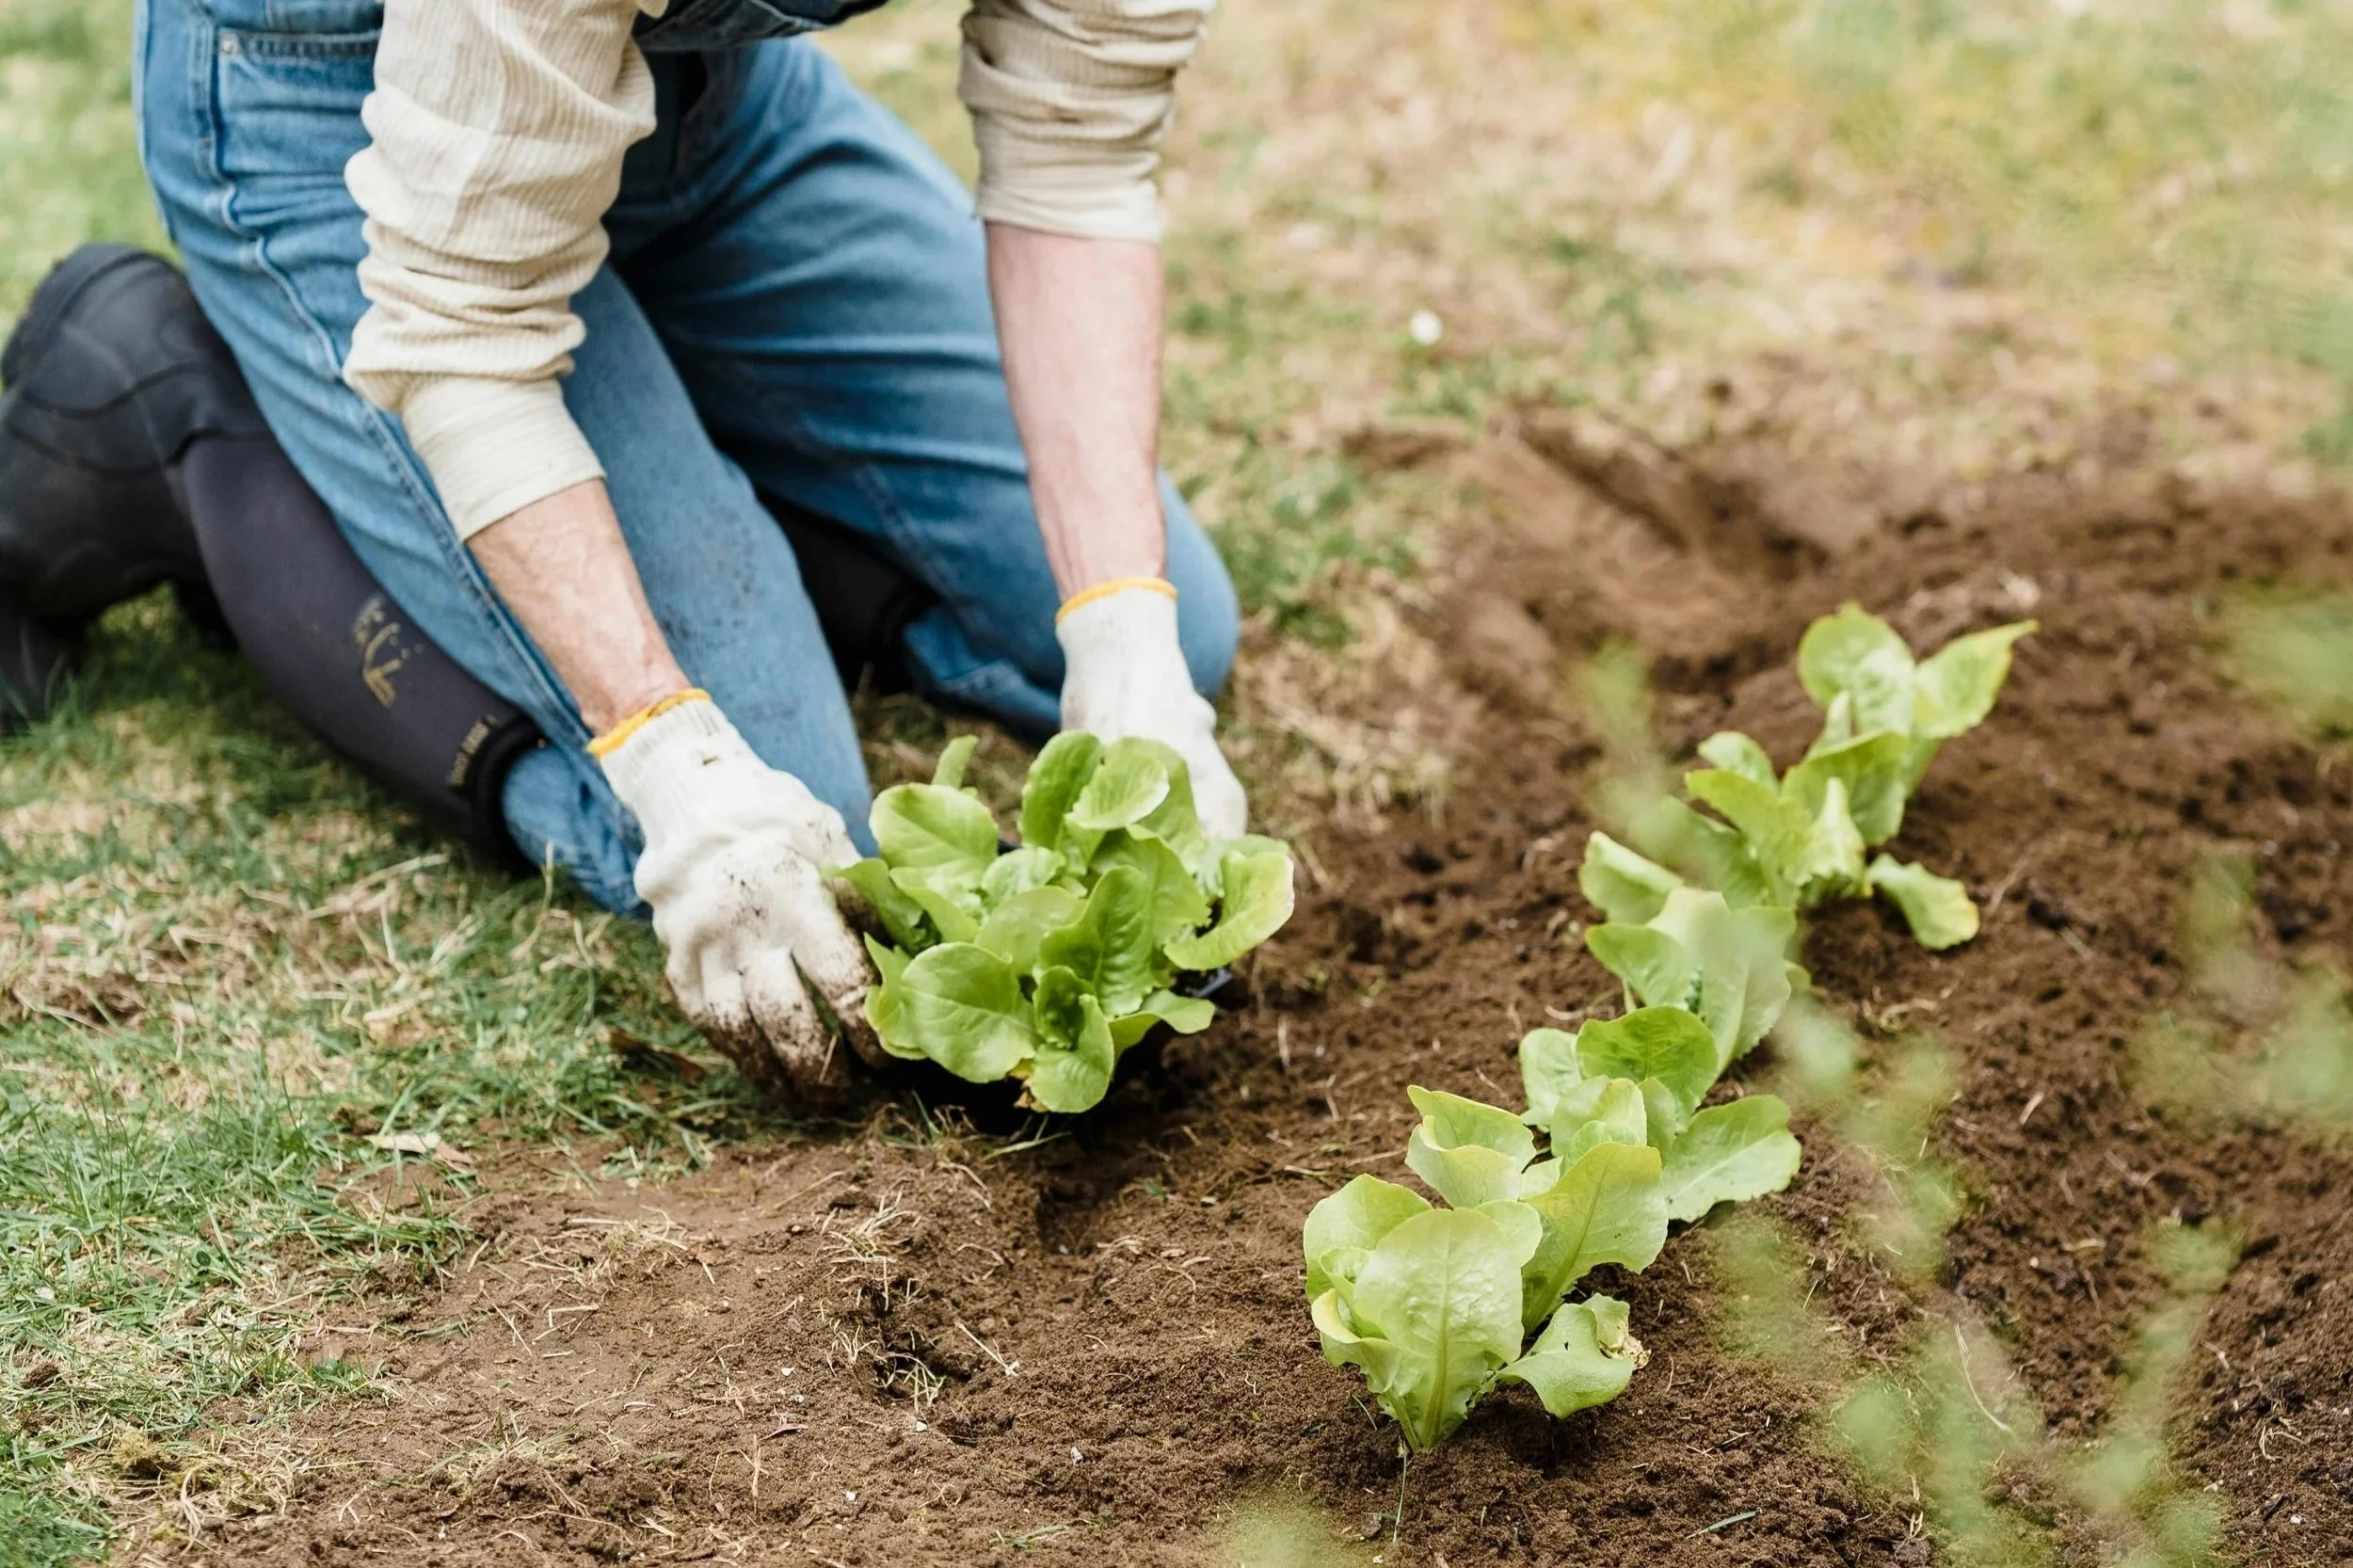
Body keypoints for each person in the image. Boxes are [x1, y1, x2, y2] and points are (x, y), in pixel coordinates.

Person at [0, 0, 1248, 1096]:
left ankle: (657, 422)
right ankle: (189, 431)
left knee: (1172, 629)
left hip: (700, 104)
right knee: (785, 860)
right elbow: (462, 328)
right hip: (338, 104)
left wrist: (1122, 633)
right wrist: (669, 758)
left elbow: (1076, 160)